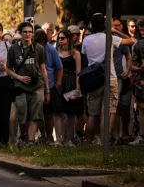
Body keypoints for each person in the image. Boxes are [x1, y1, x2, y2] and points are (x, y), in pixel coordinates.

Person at [81, 13, 135, 144]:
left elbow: (85, 56)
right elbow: (131, 41)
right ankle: (104, 142)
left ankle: (89, 141)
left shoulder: (86, 40)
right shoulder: (110, 37)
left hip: (93, 79)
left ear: (92, 25)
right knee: (109, 112)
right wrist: (115, 31)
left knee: (93, 114)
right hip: (110, 78)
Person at [6, 22, 48, 144]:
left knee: (35, 115)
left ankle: (30, 141)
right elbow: (8, 69)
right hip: (20, 86)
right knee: (22, 115)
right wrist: (19, 78)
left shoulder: (39, 48)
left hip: (37, 86)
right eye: (25, 32)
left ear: (33, 34)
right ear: (20, 33)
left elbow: (43, 69)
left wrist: (47, 89)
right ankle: (23, 135)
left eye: (30, 32)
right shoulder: (13, 49)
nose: (27, 34)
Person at [36, 29, 64, 144]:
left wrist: (58, 83)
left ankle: (49, 136)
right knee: (37, 114)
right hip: (36, 86)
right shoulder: (32, 49)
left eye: (41, 44)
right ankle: (42, 135)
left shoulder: (51, 50)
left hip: (50, 85)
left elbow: (59, 67)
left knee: (48, 114)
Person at [56, 29, 82, 145]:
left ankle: (69, 138)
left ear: (68, 39)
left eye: (62, 38)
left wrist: (78, 88)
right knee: (59, 112)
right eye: (59, 38)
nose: (60, 40)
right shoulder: (56, 52)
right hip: (59, 83)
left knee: (71, 113)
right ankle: (61, 138)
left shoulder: (75, 53)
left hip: (71, 84)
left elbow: (78, 72)